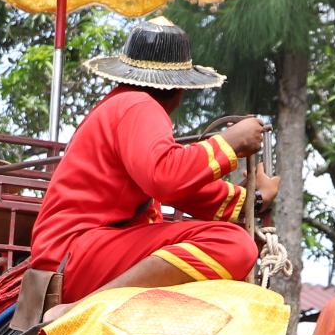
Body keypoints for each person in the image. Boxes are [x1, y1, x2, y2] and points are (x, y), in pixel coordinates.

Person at [26, 19, 273, 304]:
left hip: (78, 255)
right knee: (234, 244)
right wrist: (230, 142)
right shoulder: (140, 106)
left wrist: (253, 199)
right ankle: (84, 307)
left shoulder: (122, 105)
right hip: (78, 256)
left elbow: (184, 187)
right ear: (181, 90)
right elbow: (166, 177)